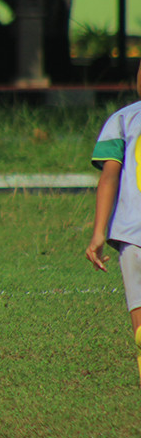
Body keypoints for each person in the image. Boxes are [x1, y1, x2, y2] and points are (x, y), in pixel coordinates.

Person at [86, 63, 141, 386]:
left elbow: (109, 177)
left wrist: (98, 233)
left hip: (131, 236)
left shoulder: (122, 118)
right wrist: (98, 232)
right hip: (132, 235)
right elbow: (109, 177)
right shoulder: (122, 119)